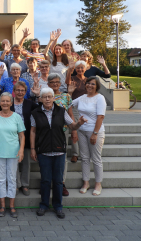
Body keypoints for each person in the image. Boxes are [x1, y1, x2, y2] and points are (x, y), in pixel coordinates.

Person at [30, 88, 86, 219]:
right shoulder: (35, 112)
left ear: (54, 98)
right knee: (45, 180)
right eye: (45, 97)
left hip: (59, 150)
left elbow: (72, 126)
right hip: (43, 151)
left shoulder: (61, 111)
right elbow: (33, 131)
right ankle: (43, 205)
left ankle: (58, 206)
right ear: (41, 99)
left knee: (58, 181)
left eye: (50, 96)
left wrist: (79, 124)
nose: (48, 99)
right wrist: (33, 149)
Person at [0, 92, 25, 218]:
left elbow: (22, 135)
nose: (5, 103)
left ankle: (12, 206)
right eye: (2, 101)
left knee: (12, 178)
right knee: (0, 179)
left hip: (13, 152)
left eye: (7, 101)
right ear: (0, 103)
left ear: (11, 102)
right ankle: (2, 205)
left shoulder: (16, 117)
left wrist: (21, 150)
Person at [70, 76, 106, 196]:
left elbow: (100, 117)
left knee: (96, 159)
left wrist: (95, 133)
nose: (90, 86)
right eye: (88, 83)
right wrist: (69, 93)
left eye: (93, 84)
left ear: (97, 86)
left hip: (95, 131)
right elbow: (68, 104)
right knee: (84, 158)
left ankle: (98, 184)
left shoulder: (100, 98)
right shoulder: (82, 97)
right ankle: (86, 182)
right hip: (81, 130)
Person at [47, 73, 78, 197]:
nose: (55, 84)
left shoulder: (66, 97)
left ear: (60, 84)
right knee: (47, 157)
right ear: (48, 84)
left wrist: (74, 130)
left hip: (62, 131)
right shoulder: (45, 95)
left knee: (62, 159)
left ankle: (61, 182)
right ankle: (47, 182)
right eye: (52, 82)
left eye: (57, 82)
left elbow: (70, 114)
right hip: (47, 132)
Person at [11, 81, 38, 196]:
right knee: (14, 161)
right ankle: (16, 184)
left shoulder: (29, 103)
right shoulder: (9, 102)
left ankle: (25, 184)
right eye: (18, 90)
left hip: (25, 135)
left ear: (25, 92)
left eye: (22, 90)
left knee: (26, 161)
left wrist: (38, 95)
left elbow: (41, 109)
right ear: (14, 91)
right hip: (11, 136)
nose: (20, 92)